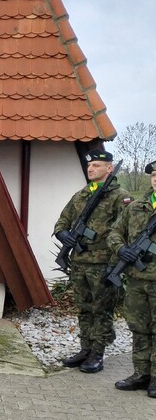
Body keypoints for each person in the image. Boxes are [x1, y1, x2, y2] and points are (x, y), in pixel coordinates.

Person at [53, 148, 131, 373]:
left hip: (103, 263)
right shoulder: (80, 195)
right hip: (79, 262)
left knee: (101, 309)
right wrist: (63, 234)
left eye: (96, 165)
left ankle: (98, 353)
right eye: (89, 165)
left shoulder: (120, 197)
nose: (91, 168)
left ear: (109, 168)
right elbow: (62, 222)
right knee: (84, 308)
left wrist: (115, 266)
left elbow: (125, 233)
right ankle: (85, 349)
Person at [107, 159, 156, 396]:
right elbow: (115, 232)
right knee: (139, 327)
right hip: (136, 280)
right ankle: (141, 374)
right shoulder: (136, 207)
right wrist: (120, 249)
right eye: (154, 175)